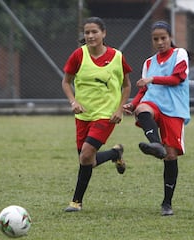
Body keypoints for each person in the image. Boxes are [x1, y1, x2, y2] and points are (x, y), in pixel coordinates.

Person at [61, 17, 132, 212]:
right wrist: (73, 101)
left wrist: (119, 109)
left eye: (94, 32)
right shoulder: (78, 55)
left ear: (104, 33)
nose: (90, 36)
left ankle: (76, 202)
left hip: (106, 115)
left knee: (85, 155)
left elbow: (126, 85)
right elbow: (66, 82)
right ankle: (115, 153)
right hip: (83, 116)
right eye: (87, 32)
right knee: (88, 161)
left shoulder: (117, 57)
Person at [123, 21, 190, 216]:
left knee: (170, 156)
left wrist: (152, 79)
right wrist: (133, 104)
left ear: (170, 38)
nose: (160, 42)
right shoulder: (149, 62)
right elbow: (144, 89)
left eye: (163, 38)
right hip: (154, 104)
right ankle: (155, 144)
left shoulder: (180, 54)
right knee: (143, 109)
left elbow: (177, 79)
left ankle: (167, 203)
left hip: (174, 109)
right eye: (156, 39)